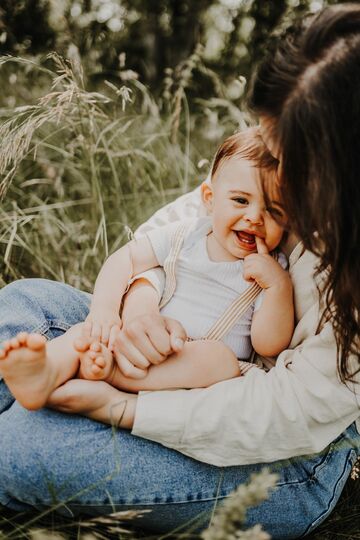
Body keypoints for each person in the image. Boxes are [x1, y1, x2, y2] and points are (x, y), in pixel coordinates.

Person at [0, 4, 359, 538]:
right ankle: (44, 380)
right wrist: (141, 302)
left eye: (287, 164)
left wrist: (123, 407)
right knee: (24, 304)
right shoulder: (273, 158)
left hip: (280, 445)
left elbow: (289, 406)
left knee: (16, 447)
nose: (268, 186)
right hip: (169, 344)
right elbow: (180, 228)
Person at [0, 129, 293, 406]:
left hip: (198, 370)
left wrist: (278, 287)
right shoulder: (187, 235)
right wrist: (104, 310)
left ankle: (112, 374)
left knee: (220, 359)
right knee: (85, 332)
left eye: (274, 210)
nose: (255, 217)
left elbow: (267, 345)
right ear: (210, 199)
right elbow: (125, 259)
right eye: (241, 200)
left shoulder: (271, 269)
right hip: (143, 340)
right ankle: (44, 372)